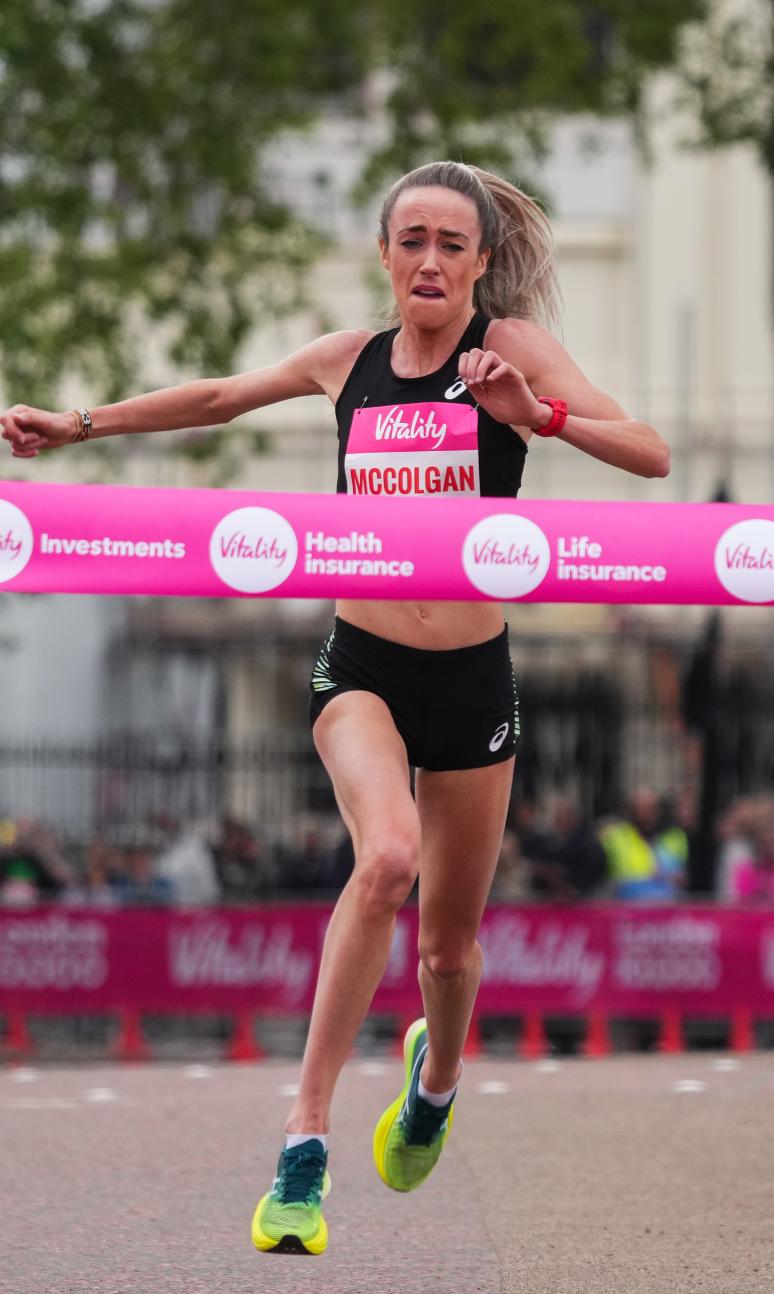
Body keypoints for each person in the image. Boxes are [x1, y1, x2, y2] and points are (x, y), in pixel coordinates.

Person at [2, 159, 670, 1255]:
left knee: (449, 955)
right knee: (386, 857)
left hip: (474, 680)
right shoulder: (349, 364)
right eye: (412, 239)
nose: (431, 260)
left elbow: (650, 452)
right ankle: (303, 1149)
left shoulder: (512, 351)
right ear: (385, 254)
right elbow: (219, 398)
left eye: (453, 244)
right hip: (361, 663)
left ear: (482, 263)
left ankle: (437, 1083)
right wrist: (75, 427)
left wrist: (534, 412)